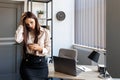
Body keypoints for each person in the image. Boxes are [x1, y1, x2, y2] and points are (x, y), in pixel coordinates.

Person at [15, 11, 51, 80]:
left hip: (41, 65)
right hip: (27, 64)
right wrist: (21, 24)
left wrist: (40, 48)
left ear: (36, 20)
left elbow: (48, 50)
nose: (30, 26)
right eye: (27, 24)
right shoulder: (25, 32)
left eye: (31, 22)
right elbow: (17, 40)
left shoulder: (45, 32)